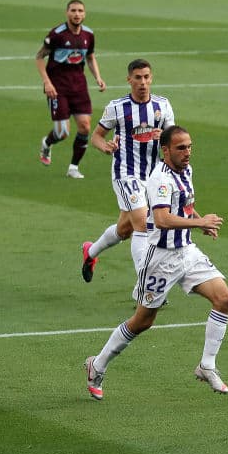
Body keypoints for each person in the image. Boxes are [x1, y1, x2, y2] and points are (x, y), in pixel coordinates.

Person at [84, 126, 228, 401]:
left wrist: (198, 222)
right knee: (143, 321)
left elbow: (185, 205)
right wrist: (199, 222)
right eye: (181, 148)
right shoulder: (160, 179)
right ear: (165, 150)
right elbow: (163, 219)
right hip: (161, 260)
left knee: (224, 299)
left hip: (187, 252)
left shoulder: (186, 170)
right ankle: (97, 365)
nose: (187, 152)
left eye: (189, 146)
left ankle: (206, 365)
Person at [81, 59, 175, 287]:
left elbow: (174, 139)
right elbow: (97, 136)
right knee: (142, 224)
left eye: (146, 77)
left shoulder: (163, 105)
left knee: (124, 230)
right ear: (129, 79)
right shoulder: (117, 107)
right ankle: (146, 285)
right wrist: (105, 147)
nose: (142, 82)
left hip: (153, 176)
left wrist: (164, 136)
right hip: (126, 174)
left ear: (151, 78)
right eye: (138, 78)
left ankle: (90, 252)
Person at [35, 0, 106, 179]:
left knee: (85, 127)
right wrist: (47, 82)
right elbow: (39, 57)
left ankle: (73, 168)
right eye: (73, 10)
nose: (77, 14)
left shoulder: (88, 34)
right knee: (62, 132)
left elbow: (90, 57)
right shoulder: (57, 34)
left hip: (79, 86)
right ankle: (47, 143)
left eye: (80, 11)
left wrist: (98, 77)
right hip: (58, 87)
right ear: (67, 13)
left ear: (85, 14)